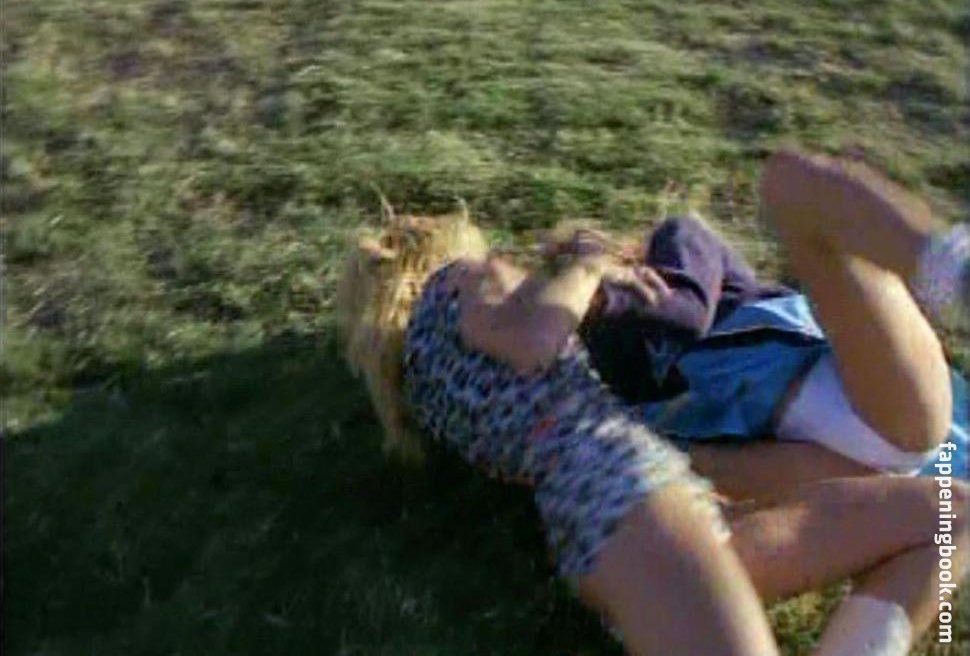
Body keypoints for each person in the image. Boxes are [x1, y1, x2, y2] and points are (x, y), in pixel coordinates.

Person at [336, 159, 968, 654]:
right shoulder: (472, 285)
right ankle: (947, 265)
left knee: (951, 512)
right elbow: (535, 342)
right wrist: (587, 269)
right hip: (639, 493)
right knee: (791, 184)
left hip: (642, 516)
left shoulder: (428, 384)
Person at [565, 149, 968, 498]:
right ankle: (950, 267)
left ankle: (951, 269)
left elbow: (685, 312)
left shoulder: (677, 242)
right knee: (789, 182)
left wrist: (593, 291)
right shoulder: (600, 366)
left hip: (852, 432)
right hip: (851, 448)